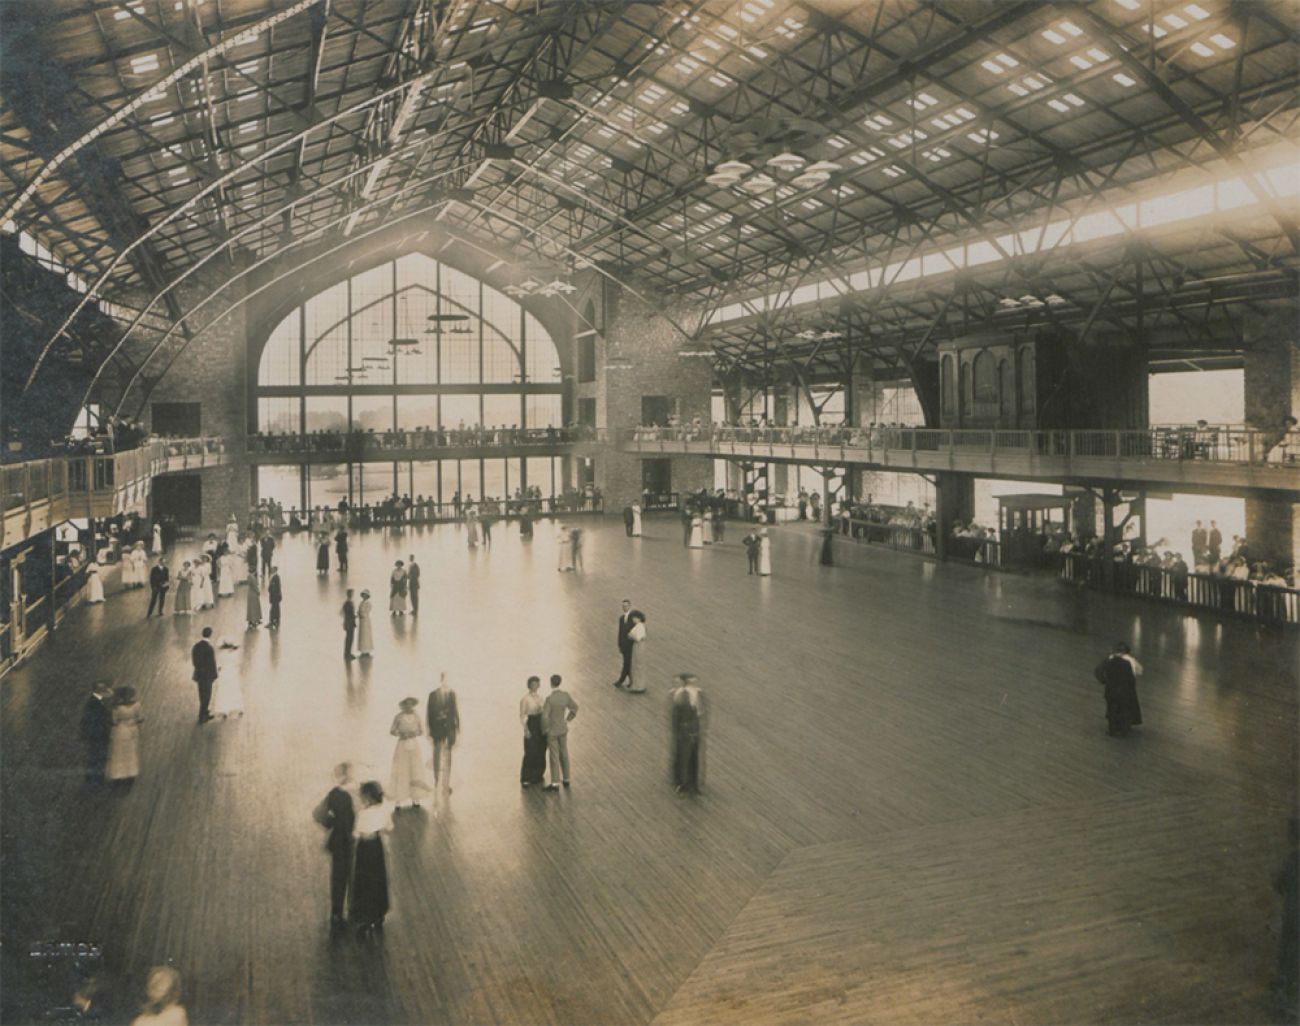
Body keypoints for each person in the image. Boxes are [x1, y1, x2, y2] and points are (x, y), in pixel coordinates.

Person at [313, 762, 355, 931]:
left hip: (338, 841)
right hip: (357, 841)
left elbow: (318, 814)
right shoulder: (357, 794)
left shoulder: (333, 795)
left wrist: (332, 824)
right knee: (356, 875)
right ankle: (354, 908)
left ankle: (336, 911)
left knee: (339, 876)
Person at [350, 781, 392, 938]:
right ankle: (378, 913)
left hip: (364, 850)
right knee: (378, 879)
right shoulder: (383, 811)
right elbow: (389, 827)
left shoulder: (362, 814)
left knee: (363, 881)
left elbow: (356, 833)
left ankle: (364, 916)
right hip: (376, 848)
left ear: (366, 798)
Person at [1093, 641, 1143, 738]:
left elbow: (1098, 671)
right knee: (1125, 709)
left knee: (1111, 709)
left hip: (1111, 689)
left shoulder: (1109, 660)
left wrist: (1104, 681)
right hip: (1125, 689)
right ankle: (1124, 730)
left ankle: (1112, 729)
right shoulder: (1129, 661)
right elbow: (1135, 673)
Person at [388, 697, 432, 808]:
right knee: (401, 770)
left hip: (414, 745)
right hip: (402, 745)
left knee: (415, 769)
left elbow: (421, 731)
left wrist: (414, 733)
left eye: (411, 704)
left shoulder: (417, 717)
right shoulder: (398, 717)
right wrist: (402, 734)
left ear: (413, 705)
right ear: (403, 705)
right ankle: (399, 799)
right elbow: (392, 731)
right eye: (407, 704)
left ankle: (415, 797)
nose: (409, 706)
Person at [541, 673, 579, 792]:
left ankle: (555, 783)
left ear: (551, 683)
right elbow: (575, 708)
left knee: (554, 756)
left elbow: (545, 716)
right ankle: (566, 778)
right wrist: (568, 719)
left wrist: (545, 729)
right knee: (564, 753)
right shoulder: (565, 696)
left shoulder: (550, 699)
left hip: (552, 731)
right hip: (563, 728)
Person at [670, 673, 705, 794]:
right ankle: (681, 782)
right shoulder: (679, 695)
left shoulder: (695, 693)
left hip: (693, 728)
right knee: (683, 756)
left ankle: (692, 783)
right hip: (685, 729)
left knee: (692, 756)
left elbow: (700, 711)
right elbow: (676, 715)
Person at [426, 672, 460, 794]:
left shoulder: (452, 694)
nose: (446, 682)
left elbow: (455, 711)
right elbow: (429, 713)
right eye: (444, 680)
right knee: (436, 755)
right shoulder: (432, 695)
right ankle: (436, 780)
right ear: (441, 680)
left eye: (448, 680)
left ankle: (446, 783)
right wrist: (429, 730)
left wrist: (457, 728)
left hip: (449, 729)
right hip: (437, 730)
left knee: (448, 756)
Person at [106, 686, 143, 783]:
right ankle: (131, 772)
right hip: (133, 730)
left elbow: (114, 721)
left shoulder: (116, 708)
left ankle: (118, 774)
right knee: (131, 751)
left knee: (119, 752)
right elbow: (140, 718)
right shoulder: (137, 705)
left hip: (121, 730)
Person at [80, 683, 114, 784]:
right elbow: (94, 719)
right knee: (97, 757)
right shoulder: (95, 703)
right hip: (98, 734)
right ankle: (95, 779)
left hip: (97, 734)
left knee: (96, 757)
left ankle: (95, 778)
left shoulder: (95, 700)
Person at [611, 599, 646, 690]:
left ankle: (623, 680)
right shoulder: (621, 618)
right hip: (625, 646)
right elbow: (621, 632)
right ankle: (631, 681)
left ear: (629, 606)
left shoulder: (634, 618)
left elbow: (638, 633)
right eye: (623, 606)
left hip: (633, 646)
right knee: (628, 663)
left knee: (628, 663)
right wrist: (620, 644)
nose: (625, 607)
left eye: (626, 606)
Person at [519, 675, 547, 787]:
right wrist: (526, 729)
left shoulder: (541, 698)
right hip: (531, 723)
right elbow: (522, 715)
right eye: (533, 684)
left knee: (541, 750)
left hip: (540, 723)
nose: (535, 686)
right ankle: (526, 777)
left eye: (537, 684)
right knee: (530, 751)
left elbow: (545, 711)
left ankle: (538, 775)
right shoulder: (525, 699)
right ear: (529, 685)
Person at [209, 642, 244, 719]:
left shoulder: (221, 655)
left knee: (223, 691)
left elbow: (218, 666)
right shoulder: (234, 654)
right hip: (233, 673)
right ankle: (238, 707)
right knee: (235, 690)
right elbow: (238, 664)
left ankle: (225, 710)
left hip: (224, 674)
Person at [191, 627, 218, 724]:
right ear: (210, 635)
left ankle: (205, 712)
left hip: (199, 675)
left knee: (201, 694)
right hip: (207, 676)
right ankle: (202, 715)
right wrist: (214, 675)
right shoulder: (209, 648)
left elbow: (194, 661)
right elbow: (212, 663)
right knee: (207, 696)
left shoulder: (196, 646)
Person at [357, 590, 375, 657]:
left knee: (366, 635)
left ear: (367, 596)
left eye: (365, 595)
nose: (364, 596)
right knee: (362, 635)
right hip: (361, 621)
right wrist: (358, 613)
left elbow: (367, 611)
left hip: (366, 620)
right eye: (363, 594)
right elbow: (359, 610)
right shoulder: (361, 602)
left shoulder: (368, 603)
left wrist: (361, 614)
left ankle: (367, 650)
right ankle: (362, 651)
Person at [341, 589, 357, 660]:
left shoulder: (347, 603)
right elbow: (349, 614)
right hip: (349, 623)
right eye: (351, 594)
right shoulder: (348, 603)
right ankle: (347, 654)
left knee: (349, 638)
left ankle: (348, 653)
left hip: (348, 622)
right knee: (349, 639)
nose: (351, 595)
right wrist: (355, 616)